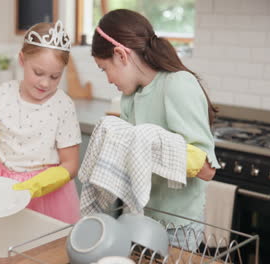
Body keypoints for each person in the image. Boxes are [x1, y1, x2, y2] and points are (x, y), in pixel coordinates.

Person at [91, 9, 220, 248]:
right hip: (140, 217)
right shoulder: (131, 96)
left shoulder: (177, 85)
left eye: (104, 68)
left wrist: (153, 141)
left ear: (121, 55)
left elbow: (206, 169)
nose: (108, 79)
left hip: (178, 225)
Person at [0, 20, 82, 224]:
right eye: (38, 73)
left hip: (48, 193)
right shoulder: (0, 96)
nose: (45, 83)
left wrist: (40, 184)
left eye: (54, 76)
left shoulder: (63, 106)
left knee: (45, 251)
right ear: (22, 60)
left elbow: (70, 164)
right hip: (3, 187)